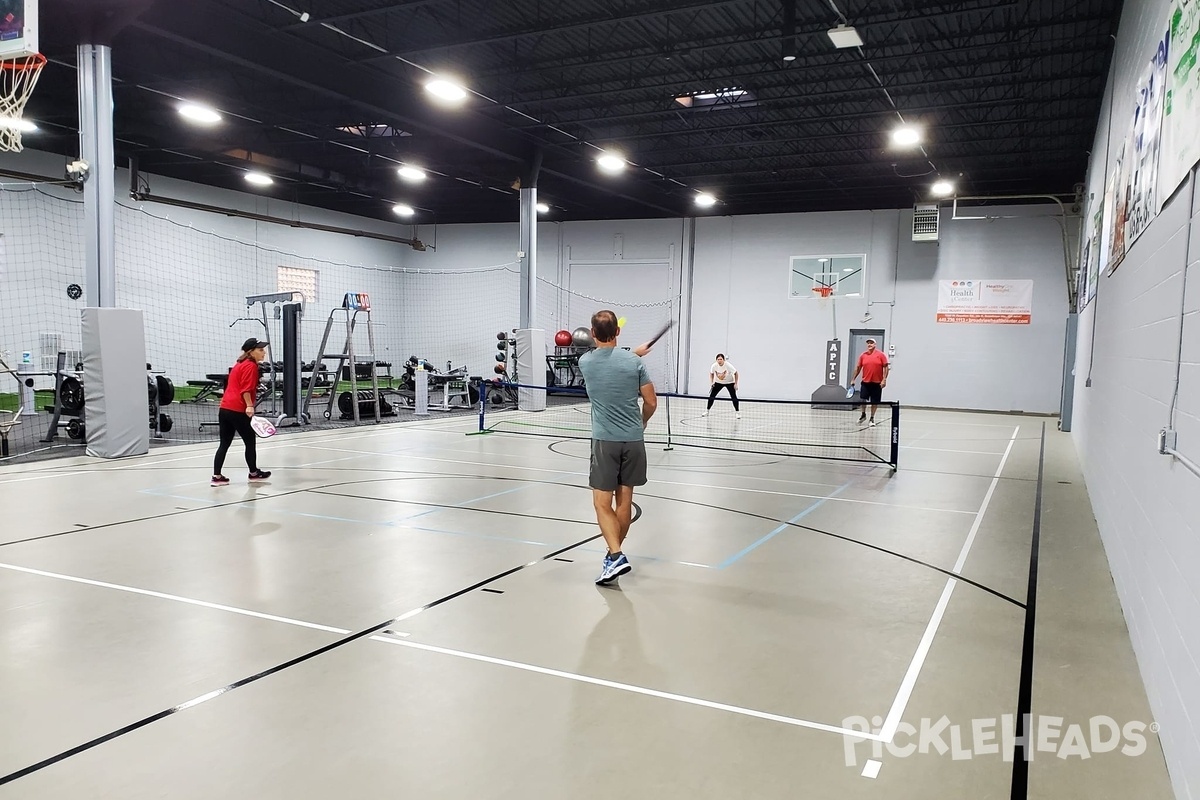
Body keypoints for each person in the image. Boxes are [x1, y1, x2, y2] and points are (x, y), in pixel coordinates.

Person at [576, 310, 658, 585]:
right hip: (633, 440)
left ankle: (616, 553)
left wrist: (633, 354)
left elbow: (607, 359)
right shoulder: (634, 363)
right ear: (617, 332)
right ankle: (612, 558)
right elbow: (651, 402)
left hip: (605, 441)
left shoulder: (585, 362)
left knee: (601, 502)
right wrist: (642, 422)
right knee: (625, 500)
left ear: (593, 333)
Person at [212, 337, 273, 486]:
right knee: (250, 441)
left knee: (224, 443)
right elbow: (246, 389)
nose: (263, 352)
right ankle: (253, 473)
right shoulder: (251, 366)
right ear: (251, 352)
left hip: (225, 408)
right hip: (238, 409)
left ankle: (217, 477)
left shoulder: (238, 364)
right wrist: (249, 406)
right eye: (260, 350)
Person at [850, 337, 889, 426]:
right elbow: (858, 368)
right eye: (868, 343)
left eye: (871, 343)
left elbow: (886, 367)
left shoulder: (881, 355)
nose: (869, 344)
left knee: (874, 402)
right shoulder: (863, 355)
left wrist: (884, 379)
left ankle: (872, 418)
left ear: (875, 345)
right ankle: (863, 415)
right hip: (865, 382)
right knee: (863, 399)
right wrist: (853, 379)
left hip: (877, 383)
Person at [702, 353, 740, 419]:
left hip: (729, 382)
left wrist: (736, 384)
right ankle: (707, 411)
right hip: (718, 382)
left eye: (721, 359)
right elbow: (711, 374)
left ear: (723, 360)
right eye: (718, 359)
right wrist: (711, 382)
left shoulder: (728, 365)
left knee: (733, 397)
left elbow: (736, 373)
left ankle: (737, 412)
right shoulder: (714, 366)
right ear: (716, 360)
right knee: (712, 396)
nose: (719, 361)